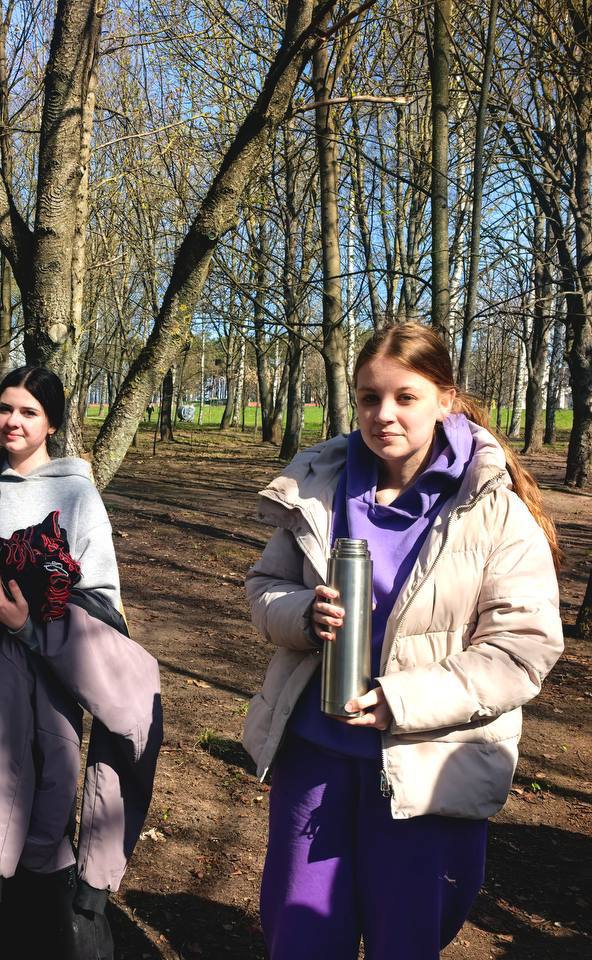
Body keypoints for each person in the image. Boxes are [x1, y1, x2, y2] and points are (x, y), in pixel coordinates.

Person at [242, 322, 564, 960]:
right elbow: (263, 588)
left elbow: (521, 647)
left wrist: (402, 699)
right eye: (369, 398)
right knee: (300, 939)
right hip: (316, 756)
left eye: (405, 397)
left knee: (406, 943)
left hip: (430, 767)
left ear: (446, 399)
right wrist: (303, 614)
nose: (382, 414)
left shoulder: (492, 507)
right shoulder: (320, 485)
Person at [0, 366, 124, 956]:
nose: (13, 422)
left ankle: (34, 941)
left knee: (38, 828)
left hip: (43, 692)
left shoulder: (77, 496)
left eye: (29, 412)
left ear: (52, 424)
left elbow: (106, 611)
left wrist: (28, 626)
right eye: (5, 408)